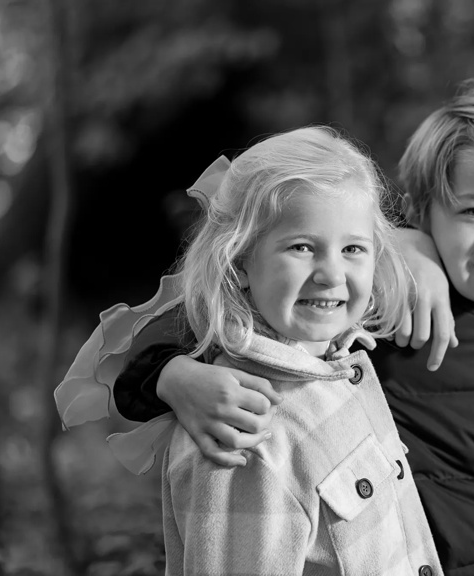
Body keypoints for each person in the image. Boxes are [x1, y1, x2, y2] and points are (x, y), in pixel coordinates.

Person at [56, 81, 474, 575]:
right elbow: (198, 312)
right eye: (473, 211)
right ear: (422, 213)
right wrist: (170, 375)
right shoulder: (385, 306)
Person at [94, 127, 443, 575]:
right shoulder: (244, 433)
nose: (331, 274)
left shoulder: (341, 363)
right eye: (302, 247)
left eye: (353, 248)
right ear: (239, 262)